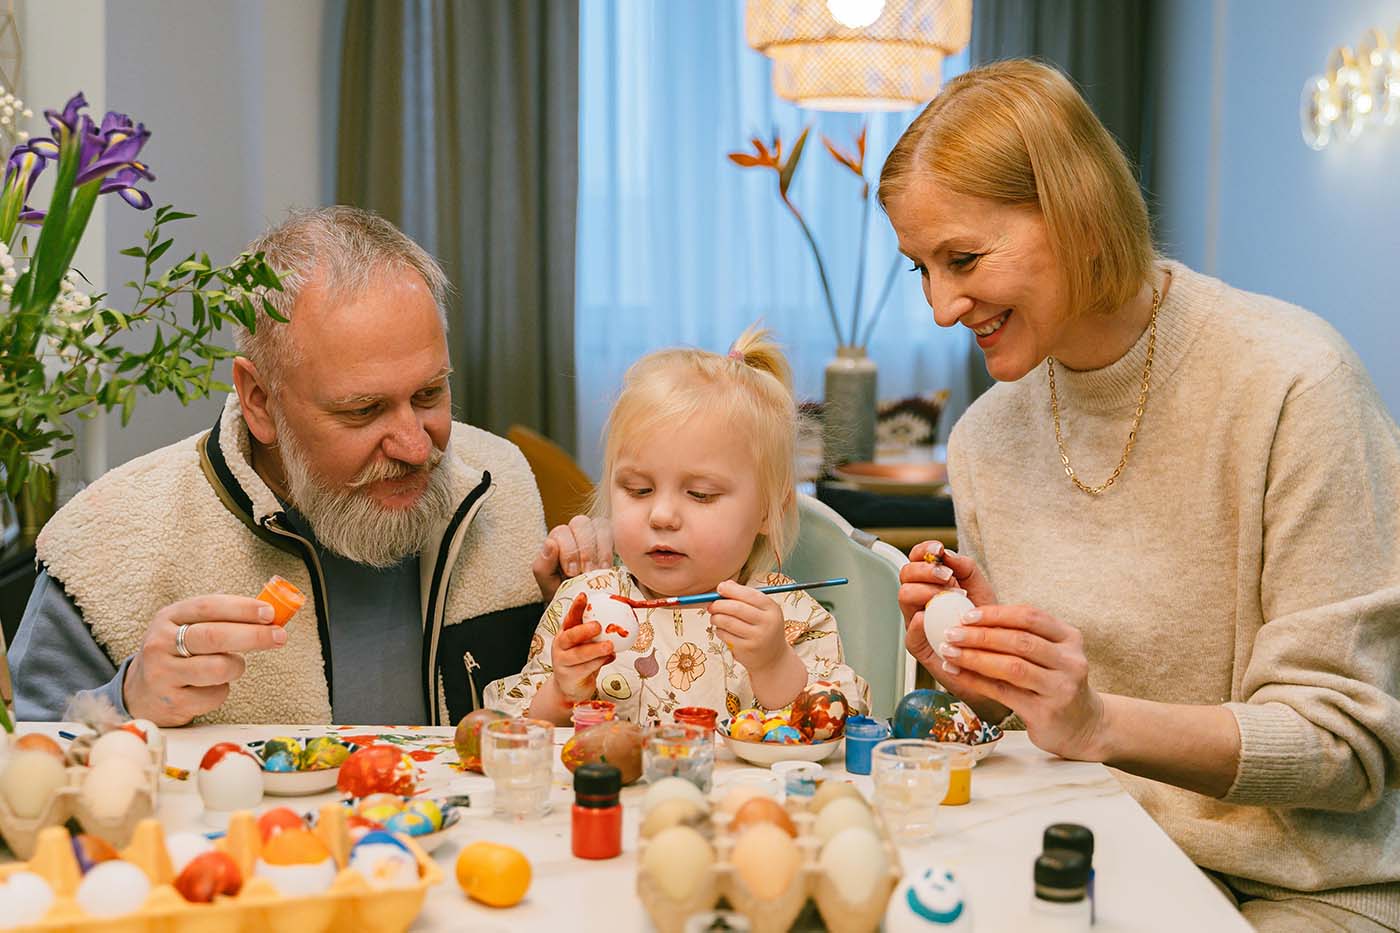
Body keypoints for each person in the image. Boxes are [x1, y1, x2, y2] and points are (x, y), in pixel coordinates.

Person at [883, 60, 1400, 931]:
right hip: (1081, 848)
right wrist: (982, 676)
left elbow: (1345, 750)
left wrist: (1095, 721)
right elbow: (1044, 726)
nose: (940, 306)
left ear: (1078, 212)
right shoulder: (983, 438)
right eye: (920, 269)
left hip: (1295, 889)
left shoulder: (1295, 383)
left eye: (963, 259)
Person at [10, 206, 609, 728]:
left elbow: (570, 723)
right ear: (261, 402)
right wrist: (129, 700)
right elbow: (22, 769)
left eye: (429, 394)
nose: (414, 445)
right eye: (363, 409)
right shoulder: (108, 541)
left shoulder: (499, 481)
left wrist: (592, 607)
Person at [485, 328, 870, 723]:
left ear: (769, 512)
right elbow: (515, 729)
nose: (662, 516)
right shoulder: (582, 603)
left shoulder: (789, 615)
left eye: (700, 494)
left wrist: (773, 664)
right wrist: (562, 692)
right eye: (638, 489)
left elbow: (832, 724)